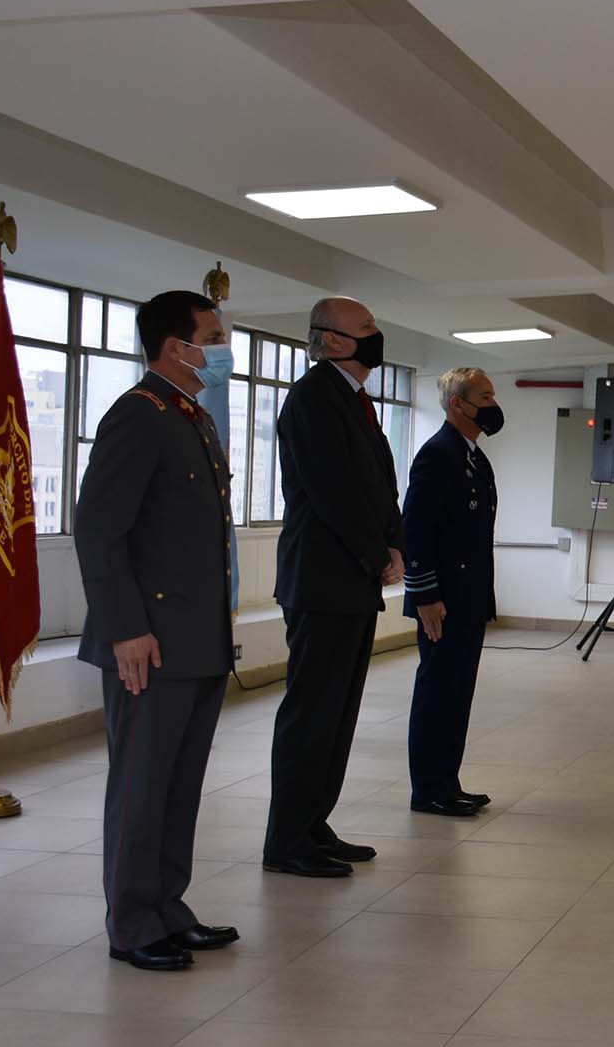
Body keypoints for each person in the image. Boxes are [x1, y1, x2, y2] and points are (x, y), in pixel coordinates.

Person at [73, 290, 241, 971]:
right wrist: (125, 631)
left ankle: (168, 907)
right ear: (176, 347)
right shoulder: (138, 415)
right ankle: (132, 922)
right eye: (213, 337)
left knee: (179, 786)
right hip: (149, 643)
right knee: (142, 787)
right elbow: (99, 530)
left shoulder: (191, 417)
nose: (223, 350)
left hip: (196, 639)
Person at [263, 296, 402, 878]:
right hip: (322, 578)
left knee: (338, 714)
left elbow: (378, 483)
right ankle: (287, 841)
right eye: (366, 326)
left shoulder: (353, 398)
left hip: (348, 579)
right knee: (313, 713)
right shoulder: (313, 398)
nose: (376, 333)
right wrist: (376, 553)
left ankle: (313, 824)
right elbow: (332, 492)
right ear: (335, 340)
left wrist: (393, 543)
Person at [402, 367, 501, 817]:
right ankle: (428, 789)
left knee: (458, 693)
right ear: (458, 404)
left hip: (468, 596)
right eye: (485, 396)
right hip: (441, 600)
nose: (493, 405)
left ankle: (448, 781)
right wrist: (425, 595)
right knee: (438, 692)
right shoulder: (438, 455)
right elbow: (416, 530)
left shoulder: (473, 457)